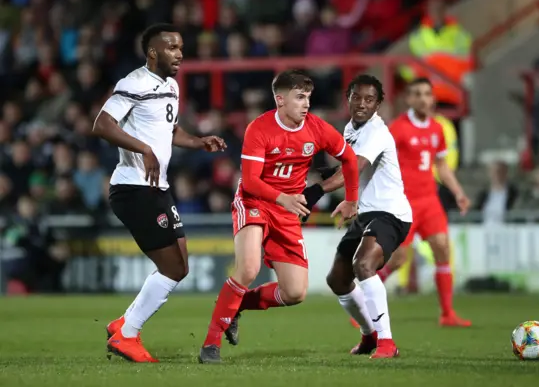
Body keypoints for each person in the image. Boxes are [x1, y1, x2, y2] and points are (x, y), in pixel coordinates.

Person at [199, 70, 360, 364]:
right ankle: (210, 345)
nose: (306, 103)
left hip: (287, 211)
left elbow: (349, 159)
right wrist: (283, 197)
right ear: (280, 99)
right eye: (300, 97)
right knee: (248, 269)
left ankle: (236, 306)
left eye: (308, 97)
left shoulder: (317, 128)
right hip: (255, 201)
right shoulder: (259, 129)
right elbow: (249, 181)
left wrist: (351, 199)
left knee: (295, 292)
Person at [93, 23, 226, 363]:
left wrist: (197, 141)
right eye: (171, 47)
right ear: (153, 52)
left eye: (181, 46)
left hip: (157, 187)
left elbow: (169, 129)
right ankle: (128, 335)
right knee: (172, 268)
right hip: (133, 187)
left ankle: (124, 324)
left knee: (180, 264)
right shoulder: (133, 82)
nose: (179, 53)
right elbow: (103, 125)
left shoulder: (171, 86)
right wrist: (144, 150)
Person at [306, 75, 413, 358]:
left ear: (379, 103)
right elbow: (354, 174)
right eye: (356, 97)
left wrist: (316, 190)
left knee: (363, 265)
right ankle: (370, 336)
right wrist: (349, 201)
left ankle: (387, 343)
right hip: (367, 212)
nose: (361, 104)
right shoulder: (350, 128)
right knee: (338, 279)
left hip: (391, 213)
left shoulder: (377, 131)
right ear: (348, 98)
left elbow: (355, 168)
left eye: (369, 99)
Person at [376, 78, 471, 327]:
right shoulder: (398, 128)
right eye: (417, 94)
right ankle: (364, 301)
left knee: (442, 248)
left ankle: (447, 314)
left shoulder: (437, 129)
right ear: (408, 99)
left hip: (429, 200)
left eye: (427, 94)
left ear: (433, 98)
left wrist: (458, 193)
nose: (423, 98)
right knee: (397, 259)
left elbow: (441, 164)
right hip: (403, 202)